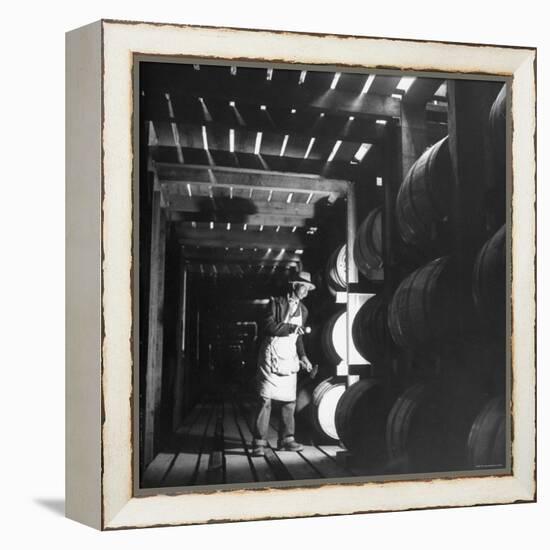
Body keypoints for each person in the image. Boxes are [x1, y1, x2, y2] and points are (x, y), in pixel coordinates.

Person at [252, 272, 315, 456]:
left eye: (309, 289)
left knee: (289, 401)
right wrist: (292, 327)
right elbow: (268, 326)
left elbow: (298, 339)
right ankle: (259, 443)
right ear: (295, 285)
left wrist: (303, 357)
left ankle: (287, 439)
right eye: (304, 287)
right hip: (271, 354)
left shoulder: (303, 310)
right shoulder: (276, 303)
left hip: (289, 355)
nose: (306, 292)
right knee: (265, 399)